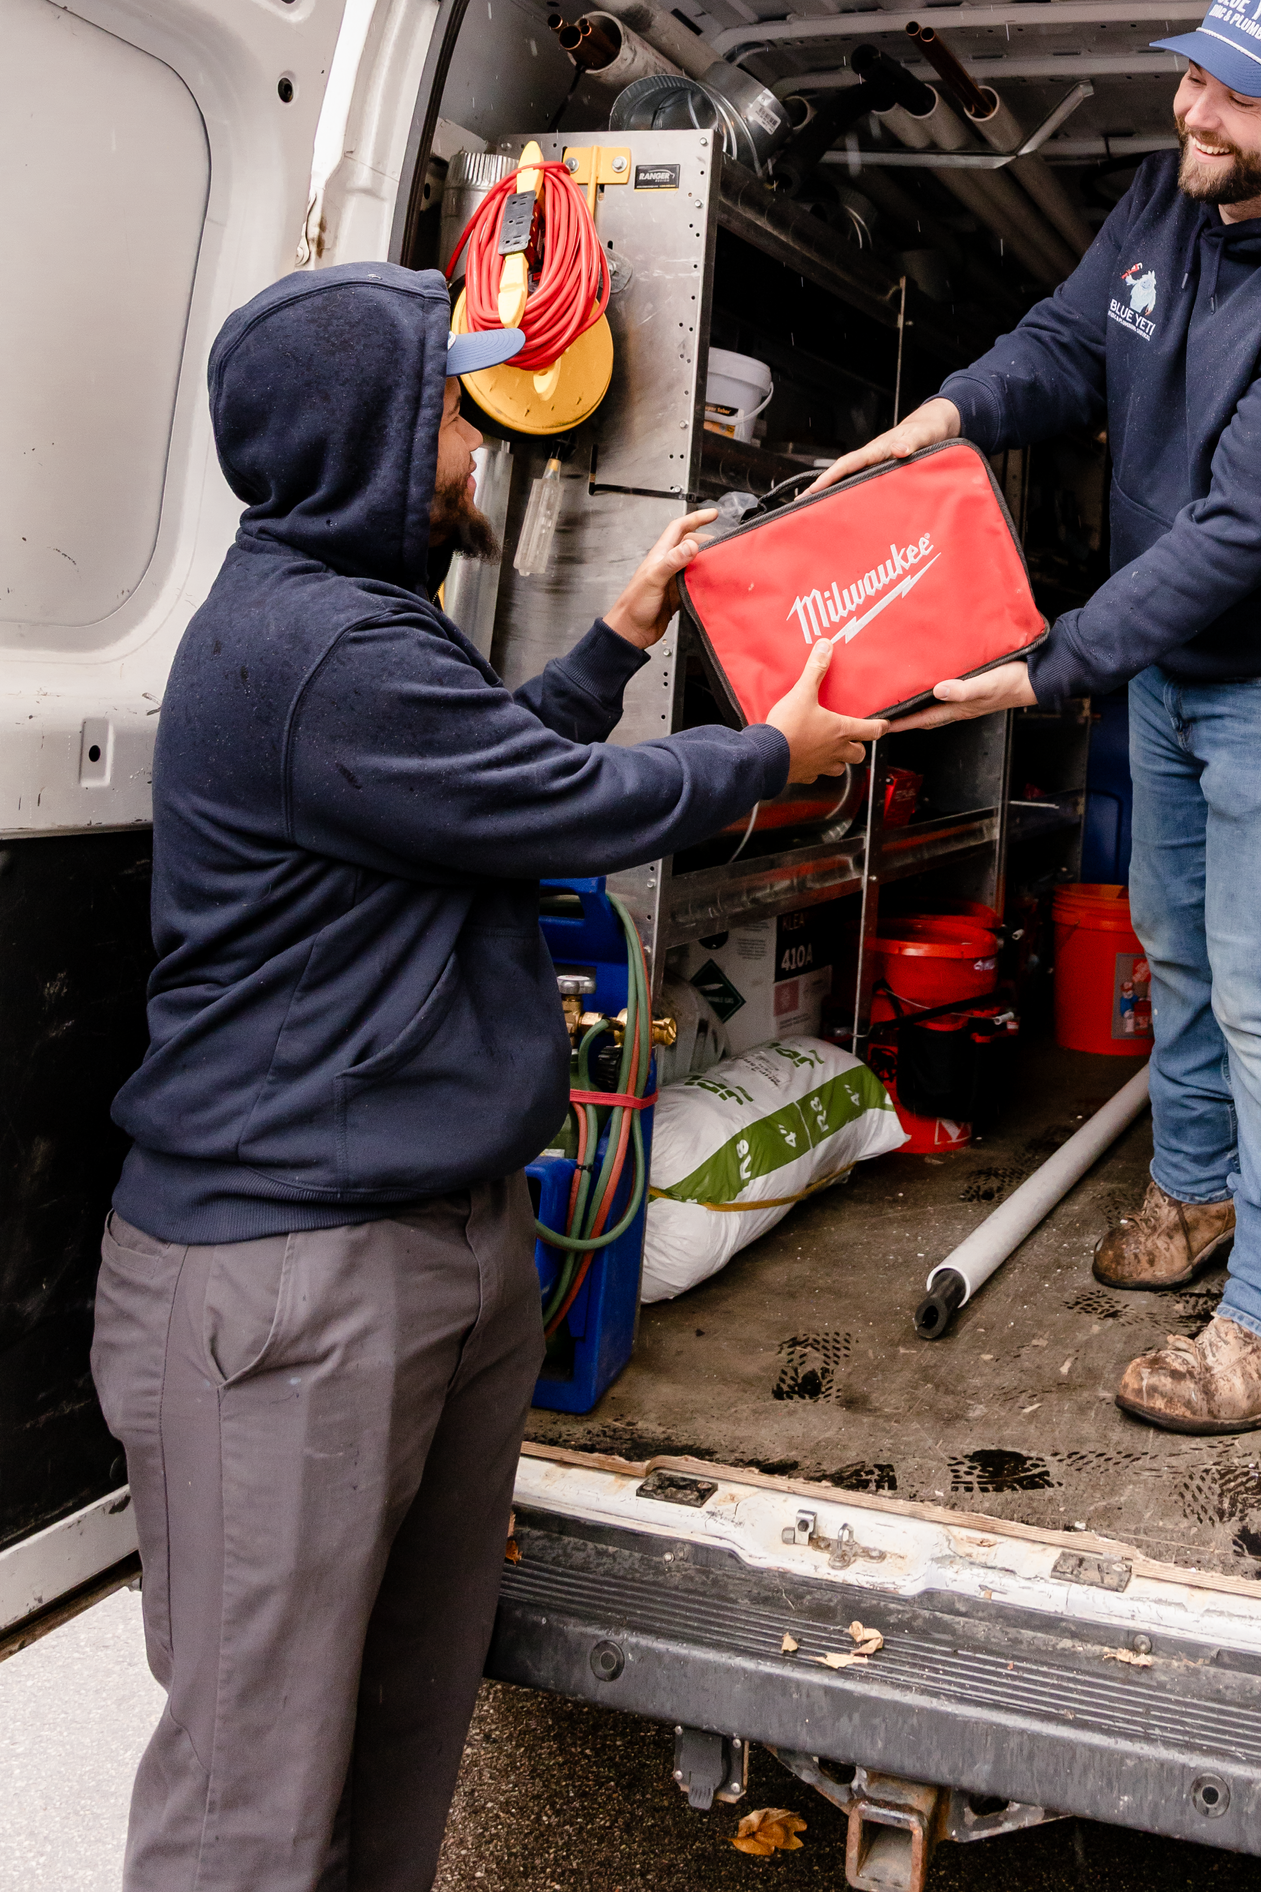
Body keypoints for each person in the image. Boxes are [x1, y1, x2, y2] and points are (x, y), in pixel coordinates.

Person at [90, 260, 883, 1892]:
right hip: (289, 1280)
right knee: (250, 1802)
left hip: (424, 1244)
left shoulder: (365, 633)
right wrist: (767, 755)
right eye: (444, 410)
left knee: (396, 1733)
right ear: (363, 437)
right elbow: (559, 809)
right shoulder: (320, 649)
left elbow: (483, 779)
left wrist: (613, 641)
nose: (473, 442)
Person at [818, 0, 1261, 1437]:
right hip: (1175, 669)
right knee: (1178, 944)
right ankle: (1202, 1190)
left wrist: (1047, 663)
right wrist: (943, 416)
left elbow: (1238, 537)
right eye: (1192, 73)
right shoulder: (1179, 195)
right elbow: (1070, 338)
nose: (1192, 110)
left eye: (1232, 92)